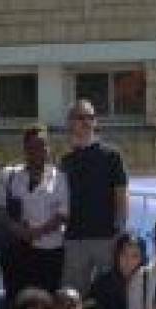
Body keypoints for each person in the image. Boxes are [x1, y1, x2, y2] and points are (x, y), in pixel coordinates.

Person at [60, 100, 129, 295]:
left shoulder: (112, 155)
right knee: (73, 295)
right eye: (81, 117)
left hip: (106, 238)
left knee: (109, 292)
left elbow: (121, 193)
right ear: (70, 122)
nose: (87, 122)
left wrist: (119, 230)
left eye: (91, 117)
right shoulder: (67, 161)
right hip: (75, 239)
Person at [0, 125, 68, 307]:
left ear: (48, 147)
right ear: (25, 149)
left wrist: (36, 232)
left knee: (47, 302)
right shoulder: (9, 175)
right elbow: (0, 210)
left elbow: (63, 214)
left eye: (42, 145)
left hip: (50, 252)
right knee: (18, 302)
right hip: (17, 252)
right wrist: (20, 231)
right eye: (32, 146)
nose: (38, 150)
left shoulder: (59, 178)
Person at [90, 232, 144, 309]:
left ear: (142, 259)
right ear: (117, 255)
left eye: (135, 256)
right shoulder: (102, 282)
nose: (128, 261)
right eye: (124, 254)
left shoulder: (147, 283)